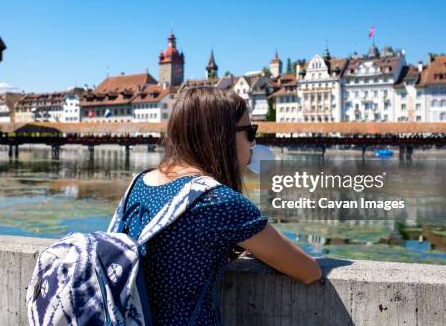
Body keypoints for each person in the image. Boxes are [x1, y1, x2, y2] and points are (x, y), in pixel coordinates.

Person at [119, 86, 322, 325]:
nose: (254, 141)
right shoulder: (218, 202)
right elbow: (309, 272)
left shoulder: (139, 183)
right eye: (250, 131)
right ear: (222, 135)